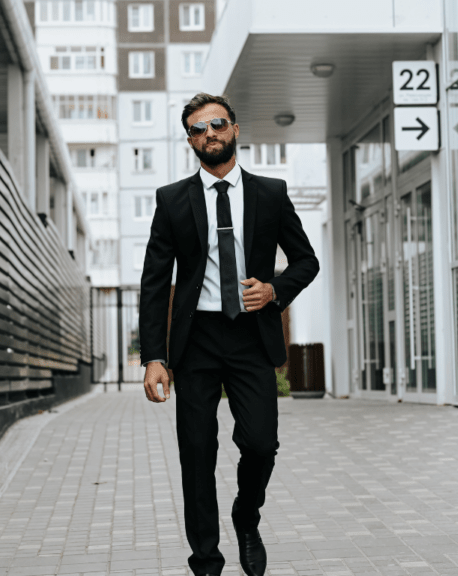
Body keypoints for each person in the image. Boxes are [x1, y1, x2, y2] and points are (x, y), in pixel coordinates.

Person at [138, 93, 320, 576]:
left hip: (250, 336)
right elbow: (155, 282)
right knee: (196, 453)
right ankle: (206, 562)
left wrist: (274, 290)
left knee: (261, 443)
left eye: (217, 124)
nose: (209, 134)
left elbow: (307, 261)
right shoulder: (172, 200)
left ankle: (246, 516)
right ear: (190, 140)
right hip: (195, 340)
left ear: (235, 129)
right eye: (198, 129)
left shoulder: (271, 193)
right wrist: (153, 356)